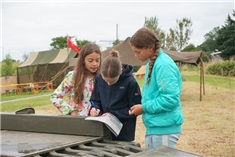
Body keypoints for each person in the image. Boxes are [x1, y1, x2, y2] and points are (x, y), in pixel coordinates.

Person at [129, 27, 184, 149]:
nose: (136, 55)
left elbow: (170, 99)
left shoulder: (163, 65)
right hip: (156, 127)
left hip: (164, 128)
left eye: (138, 51)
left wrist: (144, 108)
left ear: (150, 47)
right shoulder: (152, 63)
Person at [89, 49, 142, 141]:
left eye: (112, 81)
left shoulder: (130, 82)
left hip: (124, 133)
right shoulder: (99, 79)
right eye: (106, 81)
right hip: (103, 131)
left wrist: (113, 114)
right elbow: (95, 100)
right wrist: (95, 109)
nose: (109, 84)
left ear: (120, 71)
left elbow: (135, 109)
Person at [50, 43, 101, 116]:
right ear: (83, 60)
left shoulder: (102, 78)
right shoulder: (72, 76)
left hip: (96, 122)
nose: (94, 64)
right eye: (90, 61)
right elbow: (54, 97)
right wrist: (71, 111)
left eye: (97, 60)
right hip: (76, 122)